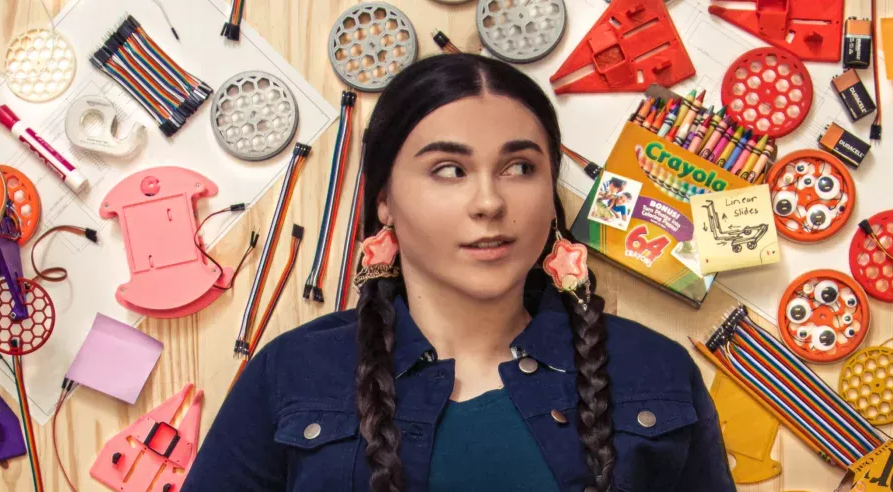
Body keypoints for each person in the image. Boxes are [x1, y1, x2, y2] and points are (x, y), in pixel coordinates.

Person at [184, 54, 734, 492]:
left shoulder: (657, 371)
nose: (490, 202)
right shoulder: (290, 373)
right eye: (449, 170)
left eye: (520, 167)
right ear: (385, 200)